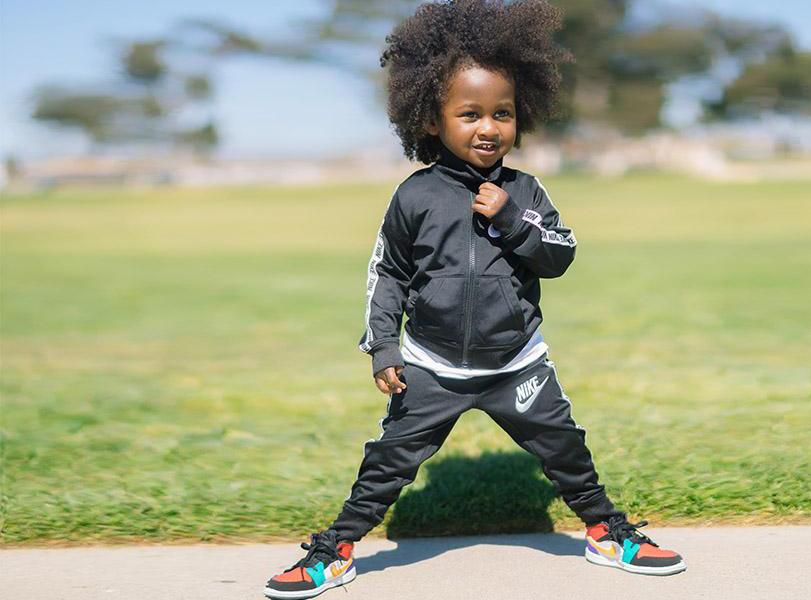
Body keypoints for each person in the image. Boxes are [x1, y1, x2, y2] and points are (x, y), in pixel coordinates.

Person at [264, 1, 685, 597]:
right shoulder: (414, 196)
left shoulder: (525, 190)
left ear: (521, 117)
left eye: (502, 114)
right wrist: (384, 347)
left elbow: (560, 255)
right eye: (469, 114)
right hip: (431, 366)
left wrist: (513, 219)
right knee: (388, 463)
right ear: (431, 120)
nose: (488, 127)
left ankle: (606, 531)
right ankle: (335, 550)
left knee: (566, 448)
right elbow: (387, 274)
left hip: (517, 363)